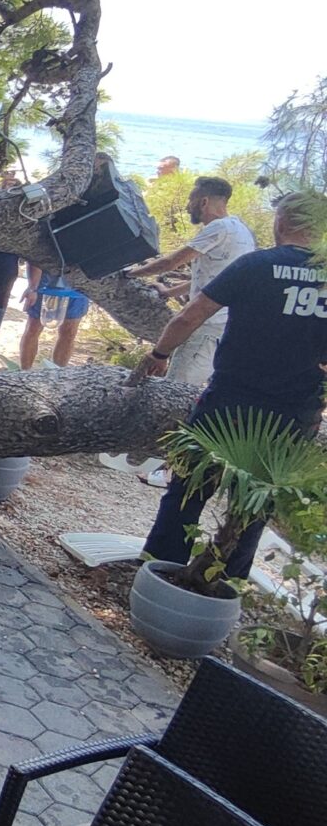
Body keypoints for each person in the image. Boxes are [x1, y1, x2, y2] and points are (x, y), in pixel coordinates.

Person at [132, 191, 327, 580]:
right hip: (297, 410)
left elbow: (191, 316)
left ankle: (159, 566)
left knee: (189, 487)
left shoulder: (257, 264)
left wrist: (159, 353)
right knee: (256, 502)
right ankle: (226, 583)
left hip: (231, 399)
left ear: (282, 222)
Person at [126, 176, 256, 386]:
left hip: (206, 325)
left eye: (190, 200)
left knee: (176, 387)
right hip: (224, 325)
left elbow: (170, 262)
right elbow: (218, 282)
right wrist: (169, 292)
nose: (187, 207)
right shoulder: (242, 229)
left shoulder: (219, 228)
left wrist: (130, 273)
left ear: (204, 202)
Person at [18, 263, 88, 368]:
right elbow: (35, 259)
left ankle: (58, 372)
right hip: (46, 281)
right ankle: (25, 371)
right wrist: (32, 288)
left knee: (70, 331)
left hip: (78, 283)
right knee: (33, 327)